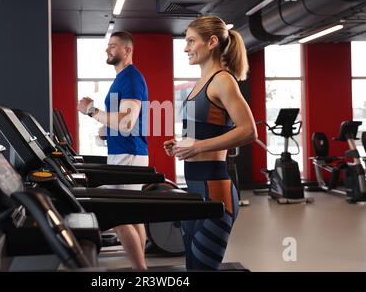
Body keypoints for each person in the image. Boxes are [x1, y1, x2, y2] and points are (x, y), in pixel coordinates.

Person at [164, 16, 257, 270]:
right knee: (193, 266)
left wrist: (197, 147)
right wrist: (181, 144)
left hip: (215, 193)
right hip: (194, 192)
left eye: (191, 41)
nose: (186, 48)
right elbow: (202, 134)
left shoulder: (223, 80)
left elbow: (249, 131)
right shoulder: (198, 85)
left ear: (212, 42)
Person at [77, 31, 149, 270]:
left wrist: (92, 111)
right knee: (131, 215)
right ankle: (142, 269)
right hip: (125, 151)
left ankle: (141, 272)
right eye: (108, 46)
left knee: (117, 215)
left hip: (129, 153)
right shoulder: (121, 79)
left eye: (114, 46)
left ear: (127, 51)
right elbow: (123, 122)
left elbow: (128, 122)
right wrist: (105, 130)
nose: (108, 49)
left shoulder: (131, 78)